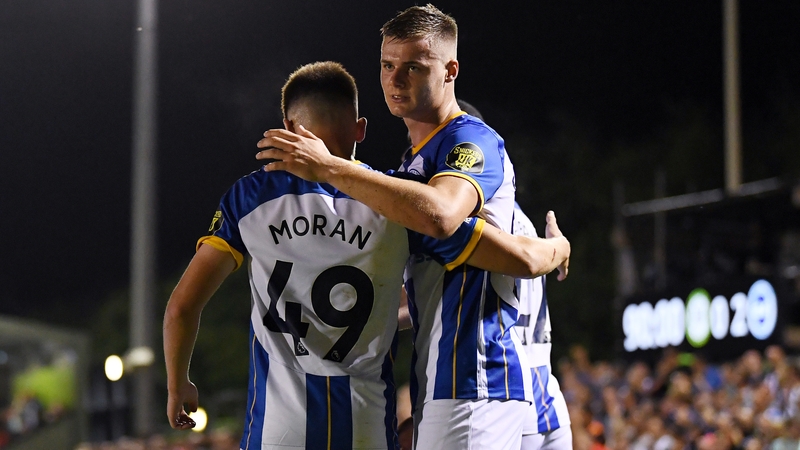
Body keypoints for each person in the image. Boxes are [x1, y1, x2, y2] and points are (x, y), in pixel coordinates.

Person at [164, 61, 571, 449]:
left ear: (288, 127)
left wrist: (177, 383)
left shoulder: (248, 198)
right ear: (360, 130)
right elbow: (520, 259)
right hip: (366, 427)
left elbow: (182, 308)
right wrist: (558, 248)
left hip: (277, 430)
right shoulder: (397, 205)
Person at [254, 6, 550, 448]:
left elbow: (443, 217)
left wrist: (332, 168)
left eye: (414, 68)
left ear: (450, 70)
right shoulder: (409, 171)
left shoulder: (469, 140)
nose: (395, 80)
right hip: (448, 376)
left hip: (474, 375)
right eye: (388, 66)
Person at [456, 99, 573, 449]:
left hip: (503, 395)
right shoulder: (523, 220)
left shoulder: (472, 222)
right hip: (546, 393)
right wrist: (561, 247)